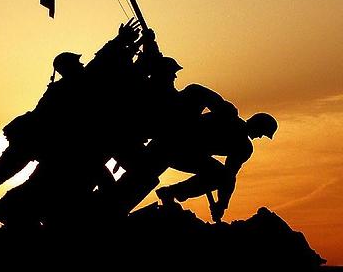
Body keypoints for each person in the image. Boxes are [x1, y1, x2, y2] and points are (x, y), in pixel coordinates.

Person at [0, 20, 142, 229]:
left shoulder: (68, 85)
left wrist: (130, 45)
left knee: (5, 177)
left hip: (38, 142)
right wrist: (120, 42)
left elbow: (99, 66)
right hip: (34, 141)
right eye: (77, 63)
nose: (81, 64)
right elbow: (98, 65)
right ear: (68, 68)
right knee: (3, 176)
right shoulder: (68, 87)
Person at [109, 82, 277, 222]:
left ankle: (170, 192)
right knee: (139, 177)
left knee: (219, 175)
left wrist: (222, 204)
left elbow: (229, 176)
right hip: (172, 143)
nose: (260, 137)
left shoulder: (243, 148)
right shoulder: (229, 116)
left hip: (186, 155)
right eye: (263, 133)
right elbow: (196, 90)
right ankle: (114, 204)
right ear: (257, 124)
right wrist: (194, 114)